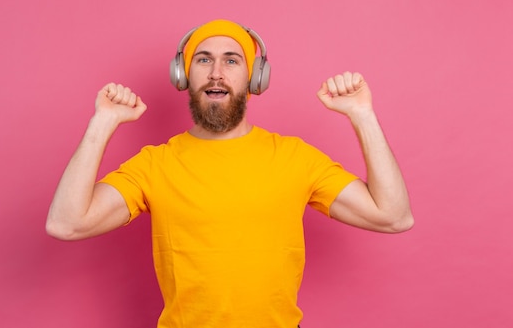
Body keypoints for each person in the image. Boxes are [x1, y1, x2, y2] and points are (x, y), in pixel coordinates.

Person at [46, 19, 414, 328]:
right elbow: (66, 223)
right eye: (203, 60)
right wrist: (103, 122)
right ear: (183, 75)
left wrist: (362, 115)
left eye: (232, 60)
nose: (216, 73)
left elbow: (393, 216)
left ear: (255, 78)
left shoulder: (295, 157)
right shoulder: (154, 165)